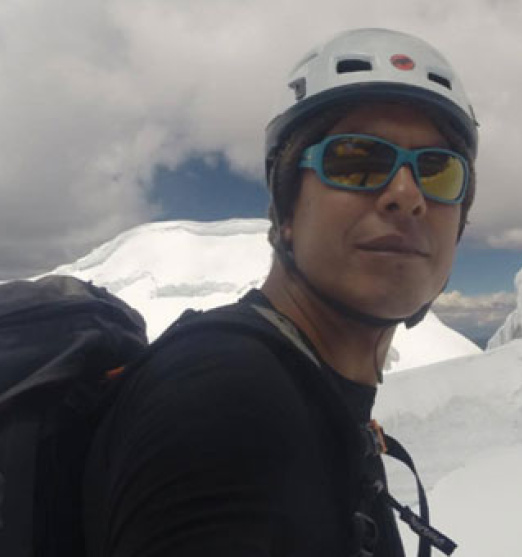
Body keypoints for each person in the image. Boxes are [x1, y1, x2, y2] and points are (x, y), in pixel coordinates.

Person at [83, 28, 478, 557]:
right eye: (356, 160)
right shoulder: (226, 403)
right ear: (287, 211)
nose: (407, 195)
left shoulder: (301, 388)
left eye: (438, 170)